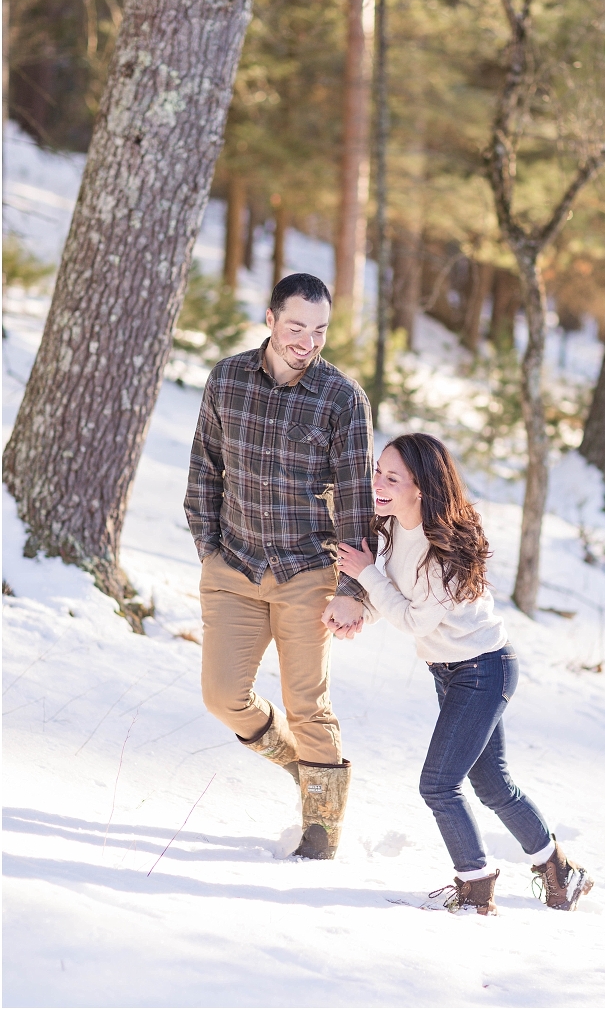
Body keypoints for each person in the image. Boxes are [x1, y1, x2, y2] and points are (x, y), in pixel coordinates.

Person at [335, 433, 593, 913]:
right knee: (492, 784)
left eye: (393, 477)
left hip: (483, 671)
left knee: (438, 784)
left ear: (422, 487)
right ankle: (562, 872)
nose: (379, 484)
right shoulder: (390, 528)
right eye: (377, 472)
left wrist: (367, 575)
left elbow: (413, 617)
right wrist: (357, 616)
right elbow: (394, 595)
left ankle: (476, 887)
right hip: (452, 671)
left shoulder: (443, 548)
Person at [184, 272, 374, 861]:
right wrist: (208, 547)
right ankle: (304, 766)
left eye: (319, 330)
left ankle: (320, 827)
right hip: (234, 565)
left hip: (307, 572)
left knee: (305, 700)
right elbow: (204, 469)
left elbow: (356, 502)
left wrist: (352, 589)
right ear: (270, 320)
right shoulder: (228, 379)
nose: (307, 340)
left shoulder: (341, 398)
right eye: (296, 326)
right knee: (222, 696)